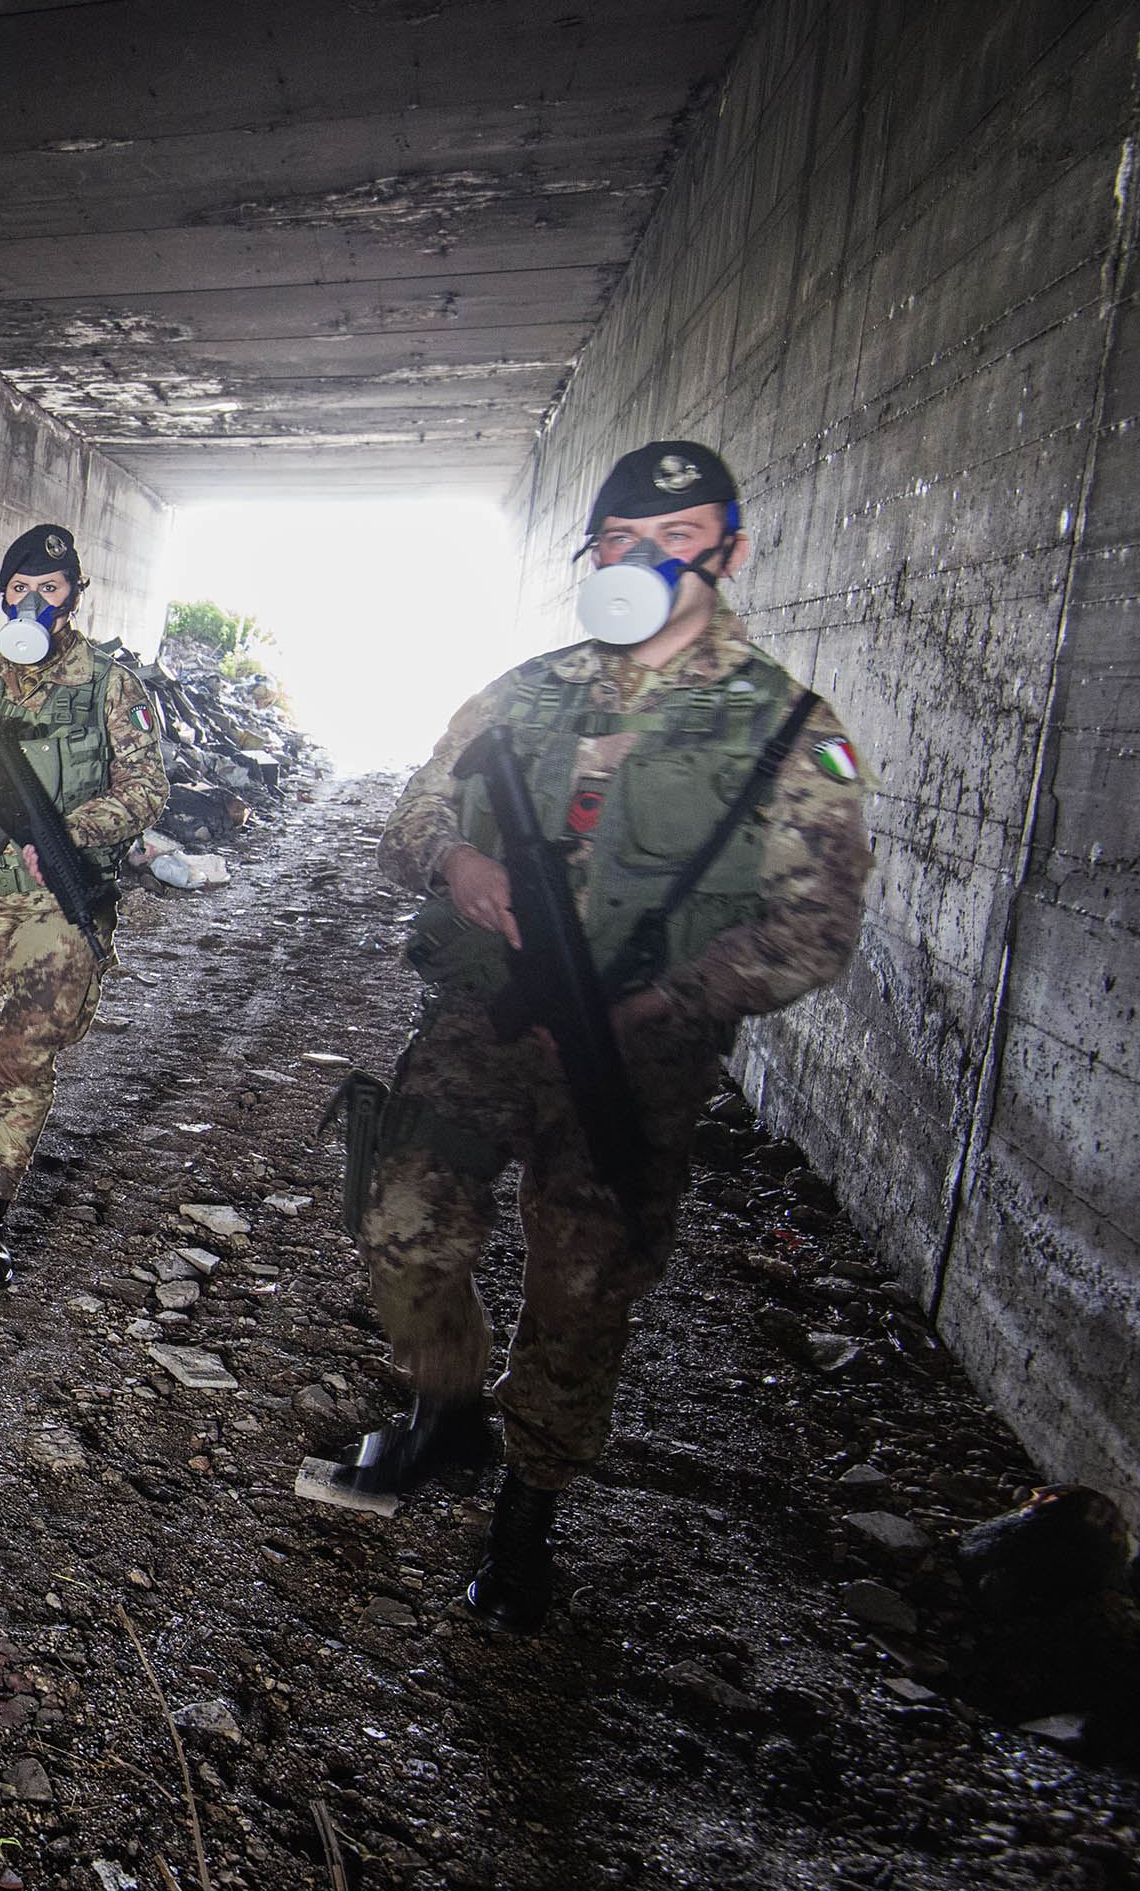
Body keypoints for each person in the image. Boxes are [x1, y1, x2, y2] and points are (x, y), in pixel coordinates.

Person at [339, 440, 874, 1629]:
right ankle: (445, 1408)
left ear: (726, 552)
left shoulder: (786, 725)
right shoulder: (526, 689)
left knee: (581, 1294)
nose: (644, 559)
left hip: (633, 1056)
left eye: (677, 539)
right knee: (399, 1225)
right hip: (483, 1016)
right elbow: (407, 812)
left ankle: (526, 1518)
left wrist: (667, 1003)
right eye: (620, 540)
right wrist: (456, 857)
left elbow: (815, 927)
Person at [0, 523, 168, 1289]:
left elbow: (149, 788)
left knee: (24, 1057)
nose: (34, 602)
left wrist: (71, 835)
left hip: (56, 898)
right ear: (3, 597)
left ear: (74, 598)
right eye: (20, 589)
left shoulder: (113, 685)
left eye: (49, 590)